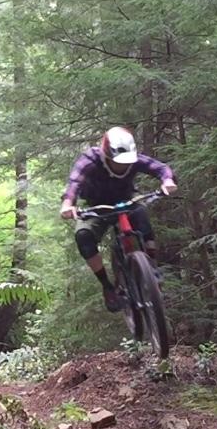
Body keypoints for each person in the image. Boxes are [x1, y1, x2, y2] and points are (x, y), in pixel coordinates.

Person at [60, 126, 177, 311]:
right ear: (106, 154)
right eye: (117, 162)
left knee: (141, 216)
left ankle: (152, 268)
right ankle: (107, 287)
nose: (122, 166)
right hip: (96, 207)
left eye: (126, 162)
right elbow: (75, 182)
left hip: (126, 200)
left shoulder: (134, 159)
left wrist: (167, 181)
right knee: (83, 235)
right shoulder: (90, 159)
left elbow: (160, 168)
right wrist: (68, 204)